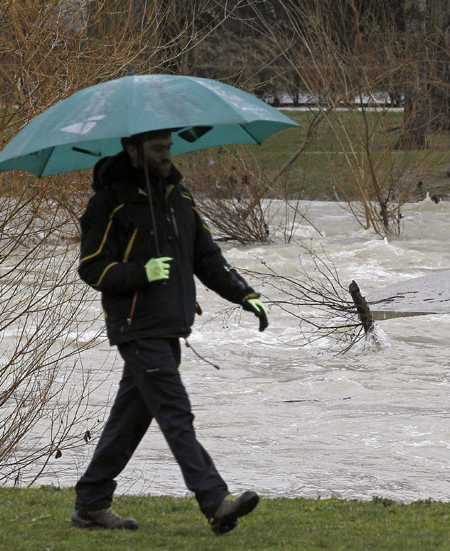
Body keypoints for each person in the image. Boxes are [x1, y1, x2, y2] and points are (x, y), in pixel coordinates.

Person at [71, 128, 269, 535]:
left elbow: (206, 256)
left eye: (168, 147)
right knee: (176, 414)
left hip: (168, 325)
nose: (166, 155)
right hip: (135, 325)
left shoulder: (178, 196)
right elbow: (91, 266)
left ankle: (91, 502)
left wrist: (244, 294)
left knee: (129, 420)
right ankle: (215, 501)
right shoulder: (108, 203)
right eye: (157, 149)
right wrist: (140, 273)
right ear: (132, 149)